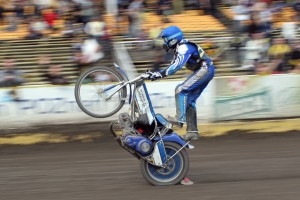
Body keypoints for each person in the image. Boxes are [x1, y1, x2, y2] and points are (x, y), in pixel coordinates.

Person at [148, 26, 215, 141]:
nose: (164, 42)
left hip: (205, 69)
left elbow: (175, 67)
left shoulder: (183, 48)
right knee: (189, 100)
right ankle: (192, 132)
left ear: (172, 39)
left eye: (165, 39)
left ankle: (179, 120)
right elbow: (173, 65)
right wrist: (157, 73)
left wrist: (160, 74)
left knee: (180, 90)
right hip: (205, 69)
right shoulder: (180, 48)